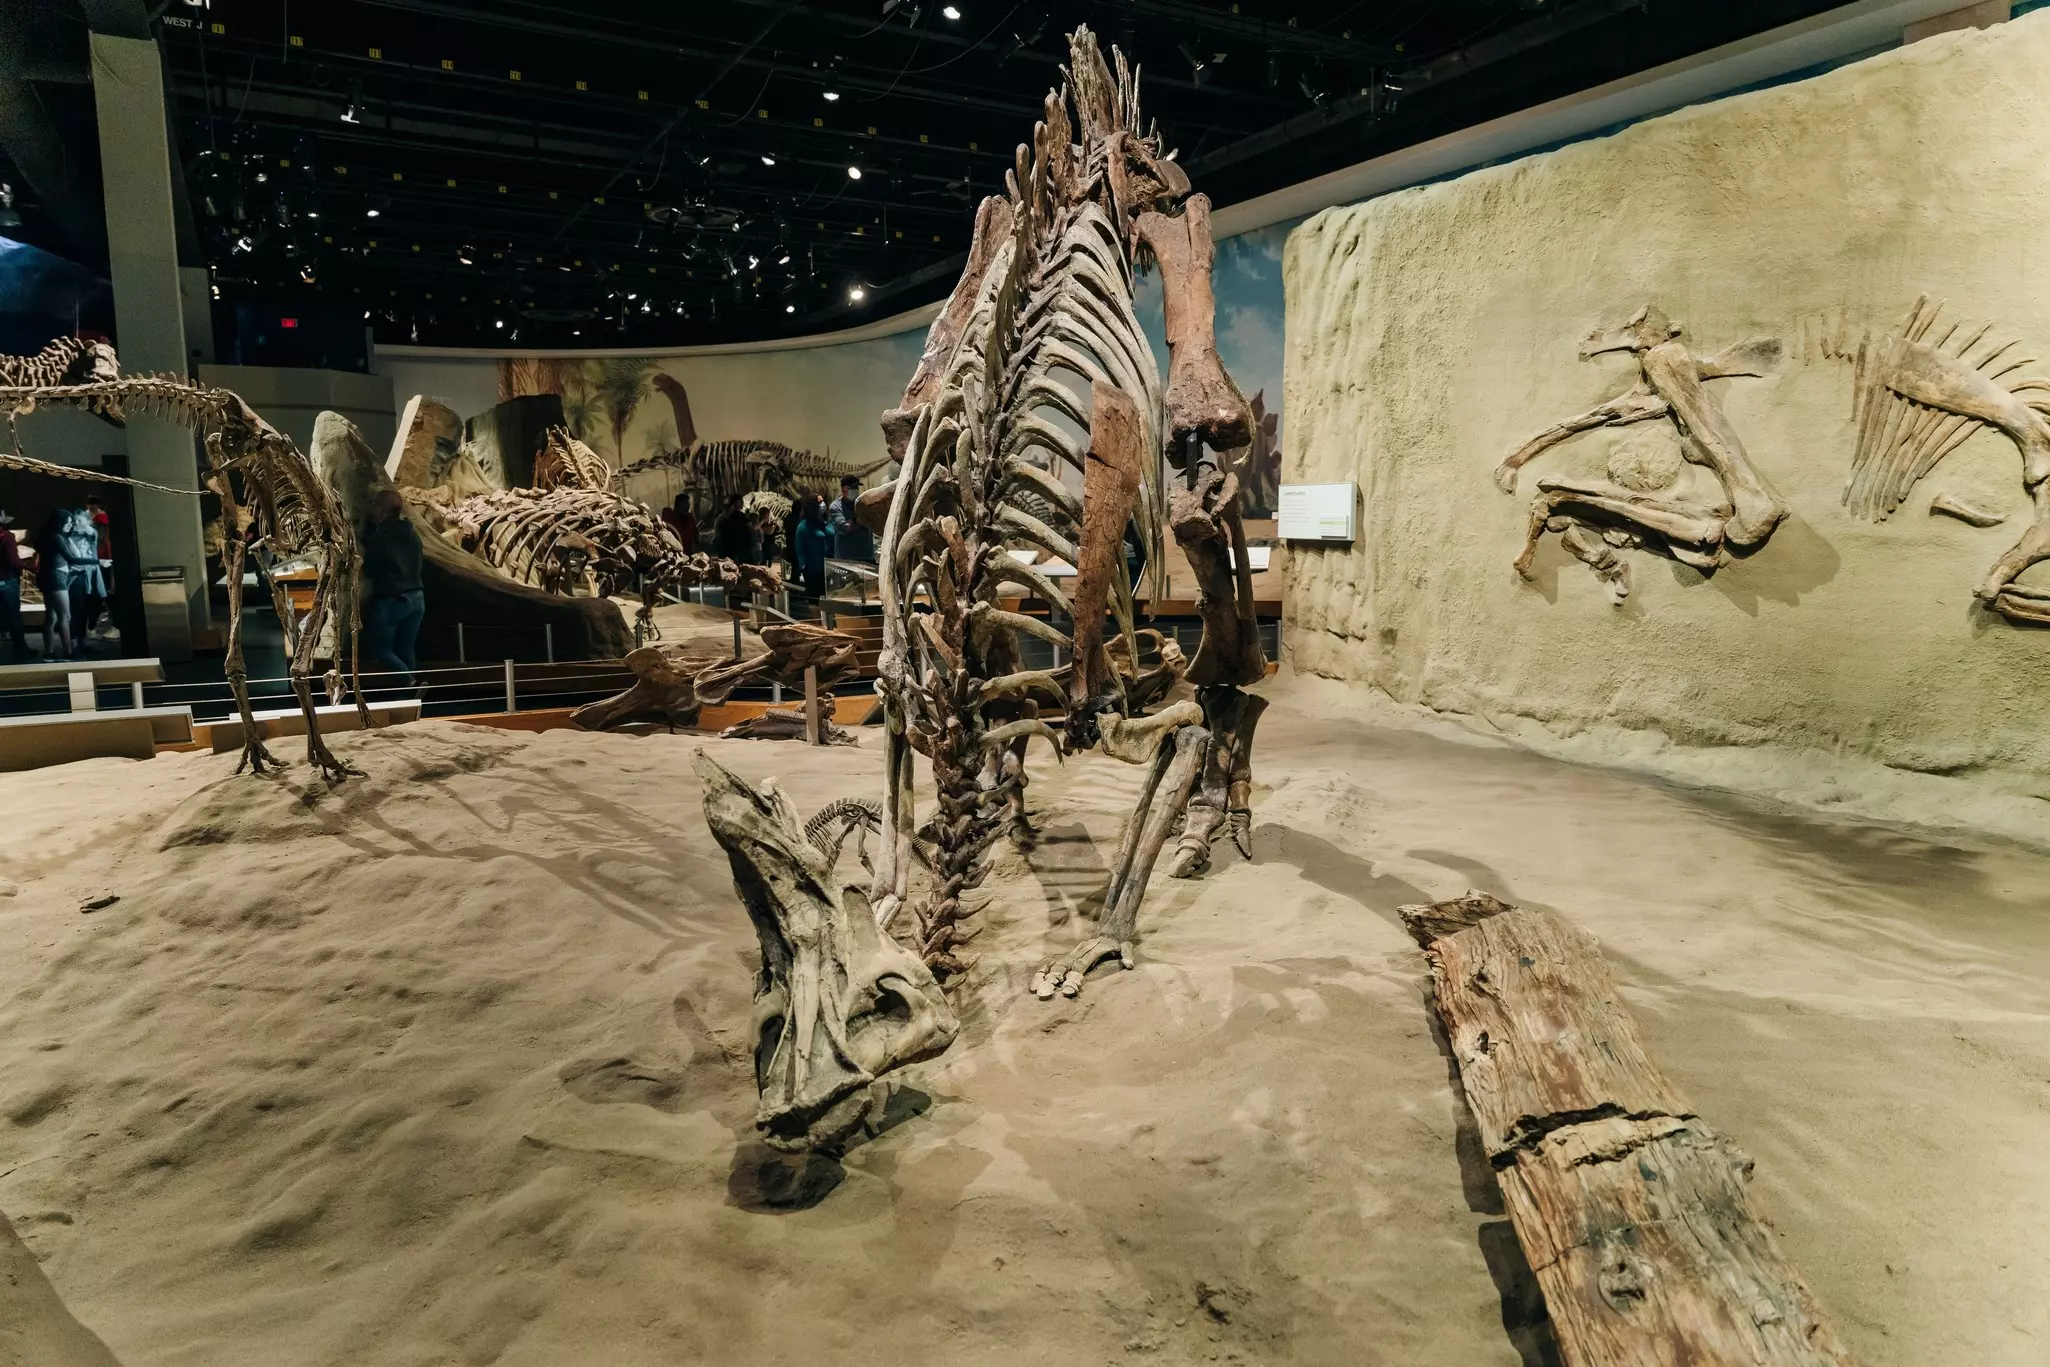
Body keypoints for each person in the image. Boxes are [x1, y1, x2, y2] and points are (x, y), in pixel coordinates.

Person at [361, 488, 425, 683]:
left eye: (375, 505)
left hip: (394, 600)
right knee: (406, 649)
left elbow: (369, 570)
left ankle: (409, 683)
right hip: (417, 598)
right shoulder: (413, 534)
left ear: (381, 510)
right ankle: (408, 700)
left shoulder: (381, 538)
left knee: (381, 649)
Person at [32, 509, 73, 659]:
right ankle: (69, 652)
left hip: (46, 575)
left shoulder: (44, 536)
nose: (71, 525)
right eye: (69, 522)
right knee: (64, 615)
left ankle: (49, 651)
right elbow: (71, 559)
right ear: (60, 522)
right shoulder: (56, 537)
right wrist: (98, 561)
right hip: (57, 577)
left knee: (51, 616)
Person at [61, 506, 105, 644]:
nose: (76, 523)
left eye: (79, 521)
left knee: (90, 605)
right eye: (75, 521)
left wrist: (85, 522)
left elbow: (92, 533)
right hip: (76, 575)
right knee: (77, 607)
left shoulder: (91, 533)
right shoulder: (67, 536)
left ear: (88, 521)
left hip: (91, 574)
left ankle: (83, 638)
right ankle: (75, 640)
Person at [0, 507, 27, 656]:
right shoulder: (6, 536)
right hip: (6, 580)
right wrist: (27, 566)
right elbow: (13, 561)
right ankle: (20, 647)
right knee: (14, 614)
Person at [827, 475, 874, 563]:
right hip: (846, 559)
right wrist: (861, 522)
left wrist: (853, 522)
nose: (855, 490)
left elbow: (872, 523)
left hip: (867, 557)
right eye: (852, 487)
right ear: (843, 489)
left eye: (856, 487)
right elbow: (844, 528)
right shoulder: (836, 507)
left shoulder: (864, 503)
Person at [794, 498, 831, 601]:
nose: (822, 506)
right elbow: (799, 546)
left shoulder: (822, 523)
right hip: (812, 568)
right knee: (814, 596)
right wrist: (804, 565)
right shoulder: (803, 526)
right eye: (818, 504)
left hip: (825, 566)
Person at [712, 492, 756, 563]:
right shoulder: (740, 515)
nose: (743, 503)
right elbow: (751, 526)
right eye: (741, 501)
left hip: (725, 547)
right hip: (738, 548)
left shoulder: (721, 516)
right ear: (736, 502)